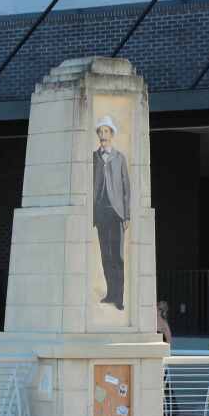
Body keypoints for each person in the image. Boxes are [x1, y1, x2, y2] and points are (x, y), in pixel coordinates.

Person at [92, 115, 131, 311]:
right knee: (105, 255)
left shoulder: (119, 157)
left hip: (116, 212)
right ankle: (110, 293)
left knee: (118, 256)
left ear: (112, 134)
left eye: (106, 131)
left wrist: (126, 215)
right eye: (100, 131)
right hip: (100, 212)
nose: (103, 135)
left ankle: (119, 297)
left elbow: (126, 187)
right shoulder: (94, 157)